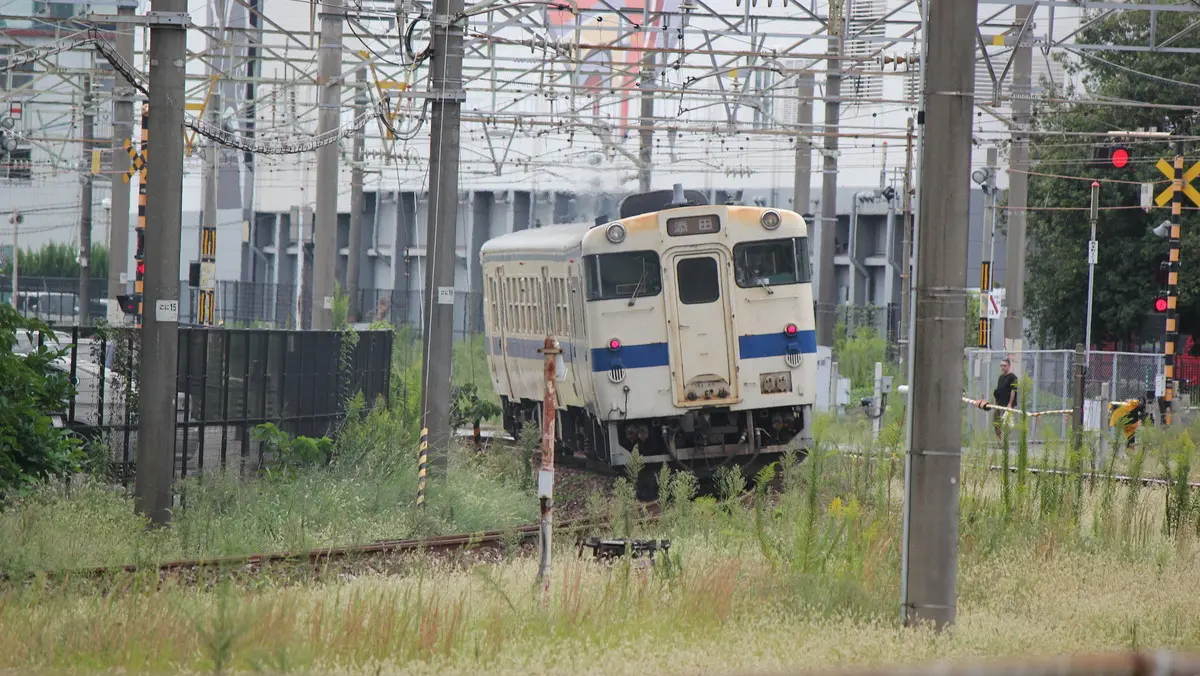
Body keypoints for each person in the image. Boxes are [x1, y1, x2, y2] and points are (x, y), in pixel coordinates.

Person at [993, 357, 1018, 440]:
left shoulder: (1013, 377)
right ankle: (999, 442)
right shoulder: (1001, 377)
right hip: (998, 404)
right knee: (996, 423)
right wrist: (995, 403)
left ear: (1009, 366)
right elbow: (998, 391)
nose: (1002, 367)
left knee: (1006, 424)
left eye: (1004, 365)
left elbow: (1013, 391)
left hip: (1007, 405)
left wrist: (1010, 404)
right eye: (1001, 366)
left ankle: (1005, 442)